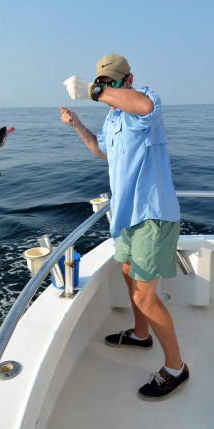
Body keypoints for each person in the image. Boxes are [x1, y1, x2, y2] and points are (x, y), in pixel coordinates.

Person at [57, 53, 189, 400]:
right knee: (128, 274)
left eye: (111, 82)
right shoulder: (115, 117)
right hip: (126, 216)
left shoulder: (146, 101)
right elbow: (102, 151)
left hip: (152, 215)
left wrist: (91, 91)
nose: (106, 88)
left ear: (127, 80)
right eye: (101, 82)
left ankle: (176, 367)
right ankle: (141, 336)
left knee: (145, 295)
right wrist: (78, 124)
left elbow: (143, 107)